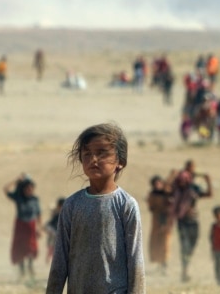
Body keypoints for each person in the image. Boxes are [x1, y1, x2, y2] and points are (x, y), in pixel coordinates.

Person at [46, 123, 146, 293]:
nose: (93, 159)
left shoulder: (126, 205)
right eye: (87, 154)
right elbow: (59, 261)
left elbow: (135, 261)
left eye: (102, 153)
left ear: (120, 161)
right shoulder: (72, 205)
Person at [168, 160, 213, 283]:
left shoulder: (193, 189)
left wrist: (208, 181)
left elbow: (209, 194)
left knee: (192, 244)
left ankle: (186, 266)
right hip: (182, 221)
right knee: (184, 246)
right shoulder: (176, 189)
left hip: (193, 220)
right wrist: (171, 176)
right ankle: (184, 271)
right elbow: (166, 190)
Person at [3, 173, 41, 285]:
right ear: (23, 188)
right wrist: (16, 180)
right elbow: (5, 189)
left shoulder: (35, 199)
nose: (29, 189)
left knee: (31, 249)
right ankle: (21, 272)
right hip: (20, 226)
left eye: (31, 187)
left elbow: (38, 214)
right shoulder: (19, 198)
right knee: (20, 249)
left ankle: (30, 271)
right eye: (27, 187)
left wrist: (39, 227)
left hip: (31, 226)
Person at [147, 174, 172, 274]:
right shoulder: (152, 194)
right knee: (156, 243)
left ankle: (164, 265)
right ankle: (159, 265)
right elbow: (151, 207)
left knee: (165, 243)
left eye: (159, 183)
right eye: (156, 183)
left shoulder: (167, 193)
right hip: (156, 221)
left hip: (166, 221)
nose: (158, 185)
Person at [43, 197, 65, 265]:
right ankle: (48, 262)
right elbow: (48, 225)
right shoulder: (56, 215)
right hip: (54, 237)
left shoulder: (66, 215)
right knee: (51, 250)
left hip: (61, 237)